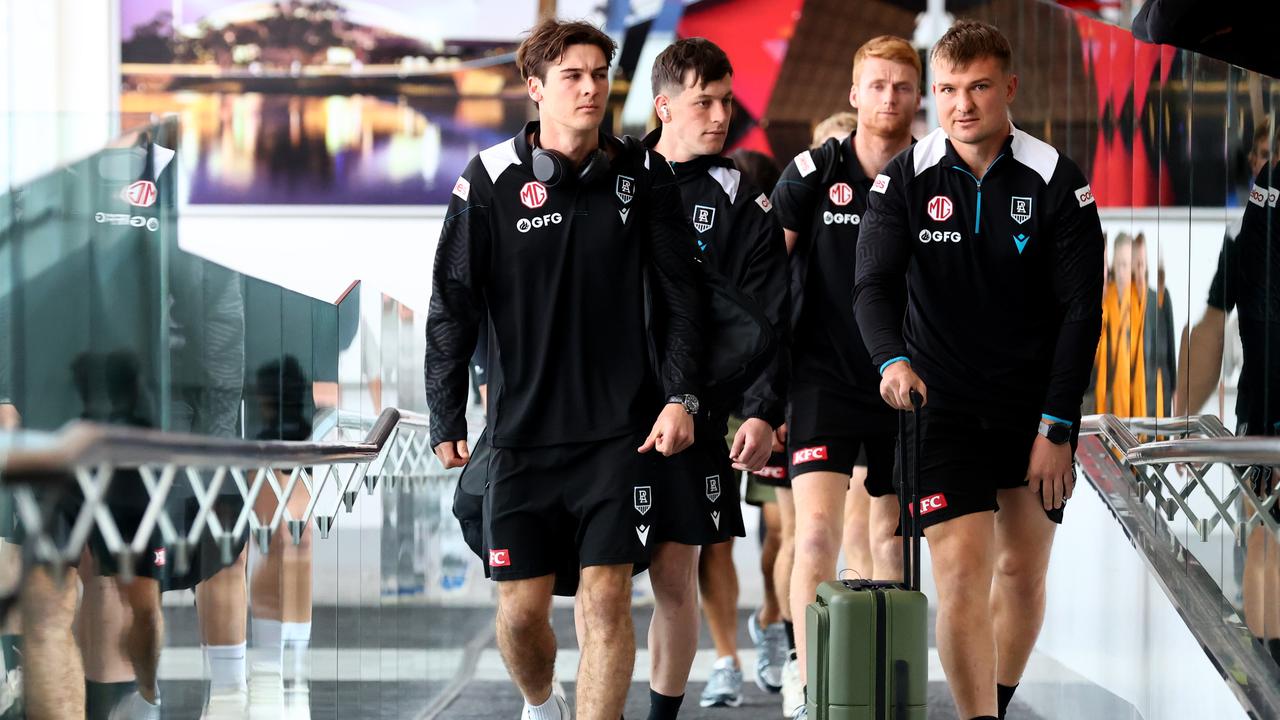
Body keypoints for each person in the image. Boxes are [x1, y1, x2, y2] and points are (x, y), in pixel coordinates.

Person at [425, 18, 703, 720]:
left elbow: (681, 299)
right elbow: (452, 304)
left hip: (619, 433)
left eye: (599, 75)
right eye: (573, 76)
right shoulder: (488, 181)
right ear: (535, 88)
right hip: (519, 436)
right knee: (521, 613)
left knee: (607, 598)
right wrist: (445, 414)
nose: (590, 88)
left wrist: (683, 398)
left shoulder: (643, 175)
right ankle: (542, 702)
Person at [854, 20, 1104, 720]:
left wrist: (1057, 424)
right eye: (947, 90)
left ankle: (994, 698)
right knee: (960, 573)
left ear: (1009, 88)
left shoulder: (1057, 180)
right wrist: (891, 361)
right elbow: (872, 285)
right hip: (941, 408)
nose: (962, 104)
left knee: (1020, 573)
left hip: (1033, 412)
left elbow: (1082, 312)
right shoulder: (904, 178)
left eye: (979, 88)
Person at [770, 34, 921, 720]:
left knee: (888, 540)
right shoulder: (812, 171)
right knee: (817, 535)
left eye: (902, 86)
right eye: (877, 85)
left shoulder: (936, 173)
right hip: (822, 378)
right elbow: (764, 283)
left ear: (917, 96)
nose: (889, 98)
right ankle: (810, 675)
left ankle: (887, 682)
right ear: (854, 94)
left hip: (906, 382)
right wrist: (758, 397)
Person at [644, 38, 789, 714]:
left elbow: (771, 317)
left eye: (727, 101)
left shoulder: (742, 197)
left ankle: (677, 700)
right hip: (615, 413)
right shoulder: (619, 180)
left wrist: (760, 411)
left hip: (703, 419)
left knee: (681, 571)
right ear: (663, 106)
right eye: (704, 101)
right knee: (605, 582)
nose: (720, 114)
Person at [1175, 122, 1280, 663]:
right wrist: (1180, 426)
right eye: (1262, 157)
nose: (1265, 166)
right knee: (1265, 542)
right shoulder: (1252, 225)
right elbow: (1212, 323)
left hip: (1263, 422)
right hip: (1264, 420)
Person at [1091, 232, 1145, 417]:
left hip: (1132, 395)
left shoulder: (1139, 303)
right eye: (1120, 263)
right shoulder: (1105, 300)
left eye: (1127, 265)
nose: (1123, 271)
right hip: (1103, 392)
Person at [1133, 233, 1175, 417]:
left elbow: (1171, 351)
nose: (1140, 267)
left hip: (1159, 389)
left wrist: (1175, 392)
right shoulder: (1128, 303)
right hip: (1136, 393)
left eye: (1143, 261)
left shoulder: (1160, 298)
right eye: (1137, 262)